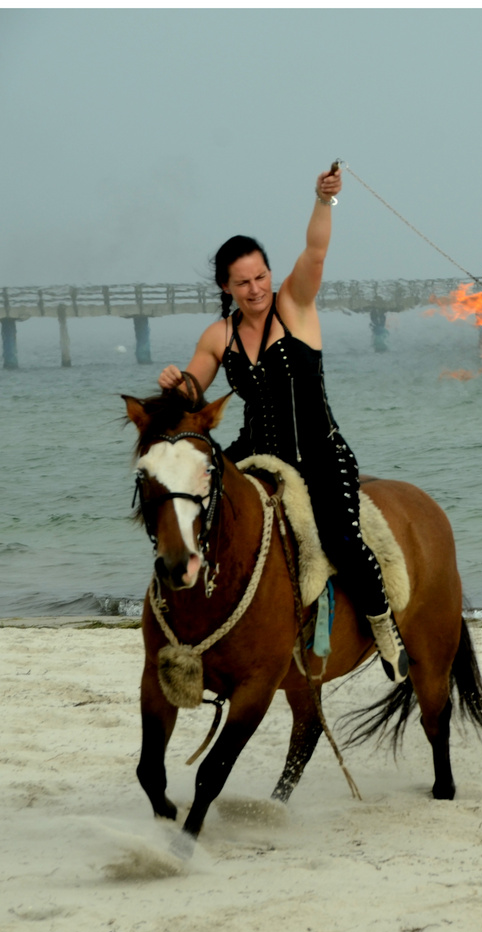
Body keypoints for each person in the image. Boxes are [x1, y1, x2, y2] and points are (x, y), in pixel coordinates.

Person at [156, 164, 411, 681]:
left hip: (320, 450)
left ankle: (385, 630)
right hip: (257, 449)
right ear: (226, 288)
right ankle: (195, 628)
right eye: (242, 283)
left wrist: (323, 200)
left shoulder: (293, 304)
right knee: (198, 513)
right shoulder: (217, 336)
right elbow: (192, 393)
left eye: (260, 277)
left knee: (340, 539)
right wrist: (174, 383)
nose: (255, 289)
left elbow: (315, 251)